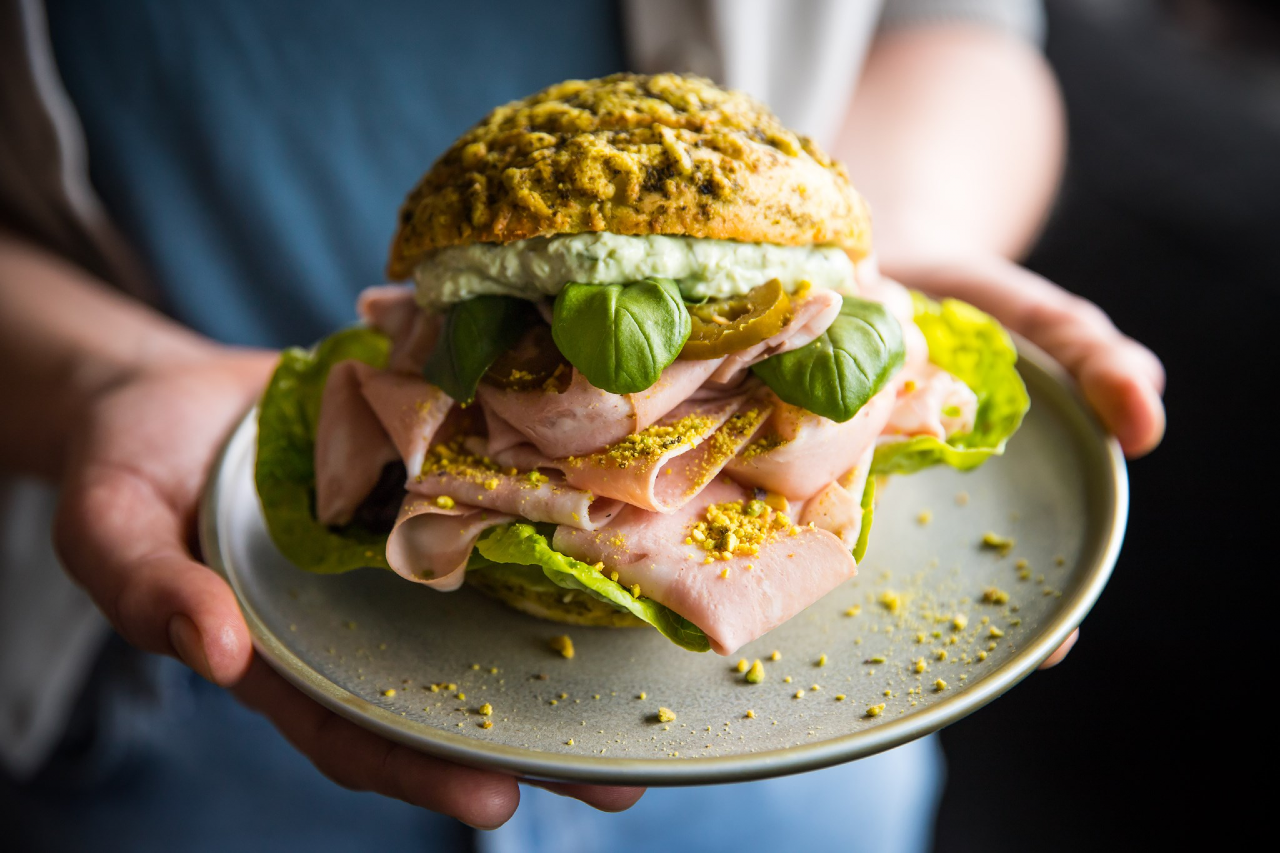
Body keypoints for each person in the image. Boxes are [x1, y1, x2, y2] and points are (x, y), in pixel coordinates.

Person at [0, 1, 1164, 850]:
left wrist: (878, 260)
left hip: (803, 742)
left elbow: (953, 31)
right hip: (200, 718)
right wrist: (104, 376)